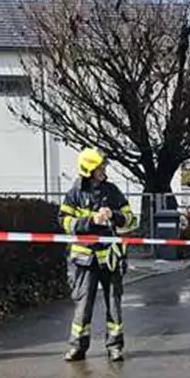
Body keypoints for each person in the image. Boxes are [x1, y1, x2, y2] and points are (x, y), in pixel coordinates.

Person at [58, 148, 139, 362]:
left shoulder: (112, 191)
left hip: (110, 258)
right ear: (89, 170)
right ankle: (78, 347)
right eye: (99, 167)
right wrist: (91, 221)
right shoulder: (75, 193)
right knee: (83, 305)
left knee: (114, 303)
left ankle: (115, 346)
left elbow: (132, 220)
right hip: (84, 259)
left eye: (103, 166)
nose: (103, 170)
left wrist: (114, 215)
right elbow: (65, 222)